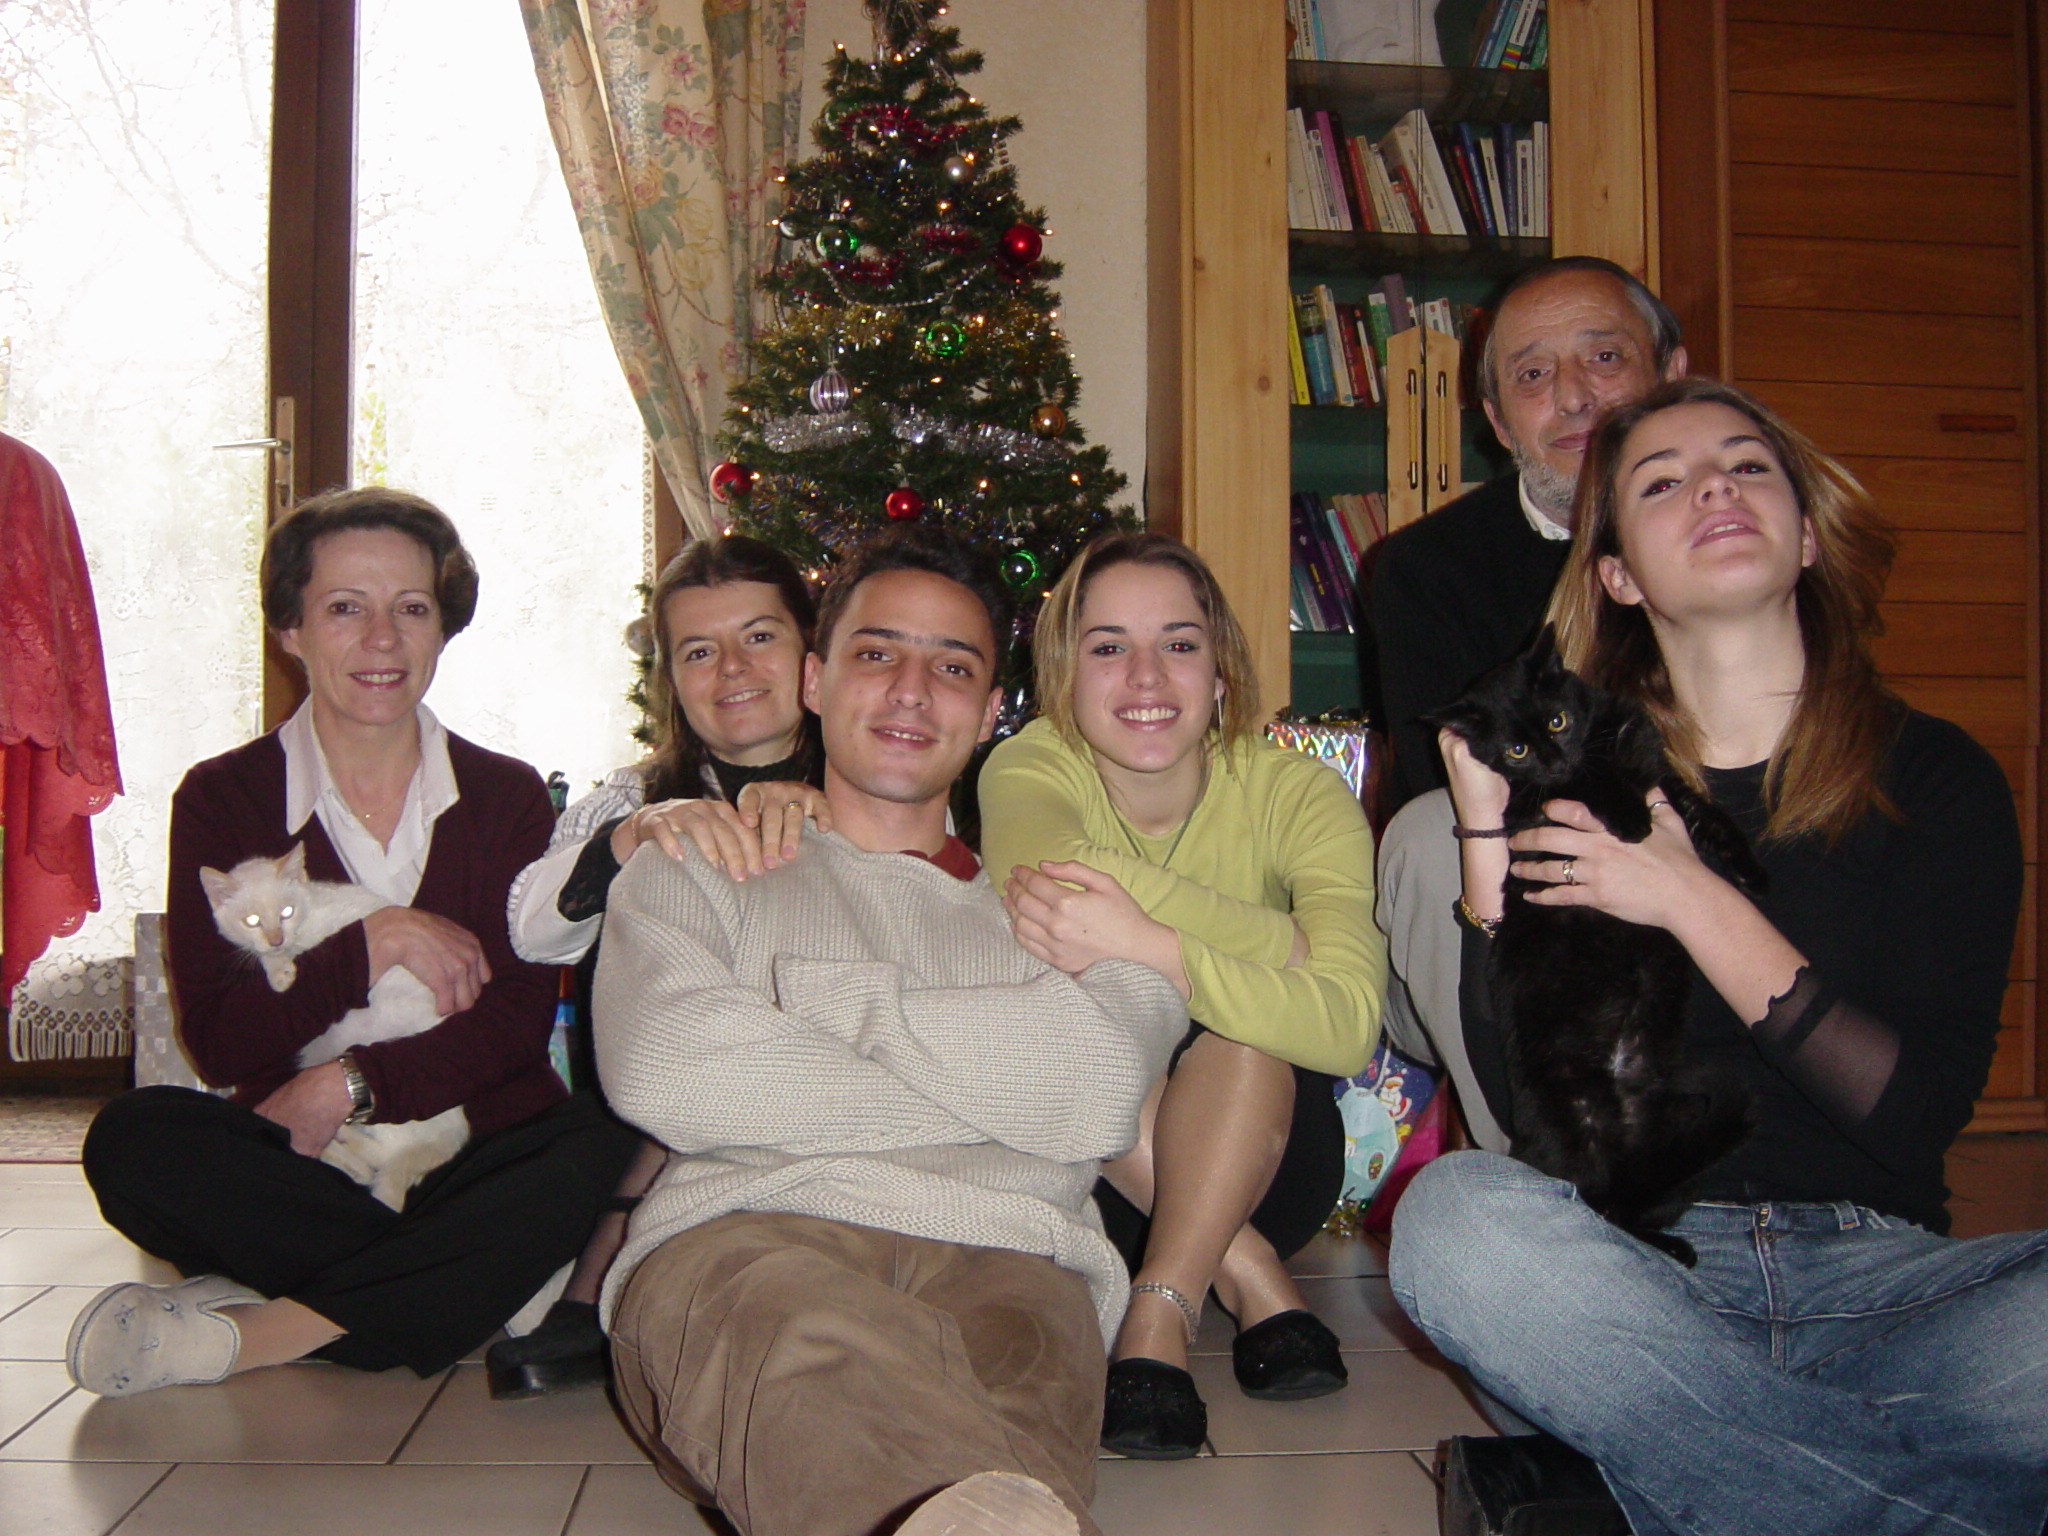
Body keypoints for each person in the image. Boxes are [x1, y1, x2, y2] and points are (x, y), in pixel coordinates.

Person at [1390, 377, 2048, 1535]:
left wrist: (1692, 898)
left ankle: (1711, 1470)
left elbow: (1911, 1118)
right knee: (1458, 1228)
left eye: (1746, 467)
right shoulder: (1573, 788)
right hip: (1637, 1284)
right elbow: (1535, 1112)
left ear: (1805, 535)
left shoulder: (1936, 778)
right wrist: (1485, 832)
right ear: (1617, 577)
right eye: (1661, 483)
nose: (1712, 488)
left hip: (1885, 1290)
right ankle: (1869, 1487)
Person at [594, 526, 1186, 1536]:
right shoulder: (696, 864)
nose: (912, 691)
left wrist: (832, 1005)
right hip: (747, 1241)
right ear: (814, 681)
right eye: (877, 654)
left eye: (952, 667)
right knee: (811, 1342)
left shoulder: (1074, 908)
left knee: (988, 1474)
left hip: (1014, 1258)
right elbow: (666, 1067)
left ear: (989, 712)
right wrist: (1003, 1103)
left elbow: (1093, 1094)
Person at [71, 488, 639, 1397]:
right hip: (316, 1162)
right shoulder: (223, 798)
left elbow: (514, 1024)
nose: (383, 639)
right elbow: (221, 1041)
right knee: (133, 1142)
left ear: (443, 629)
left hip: (479, 1149)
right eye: (345, 608)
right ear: (290, 629)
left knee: (603, 1140)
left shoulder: (505, 795)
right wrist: (369, 943)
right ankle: (474, 1284)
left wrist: (350, 1083)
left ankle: (265, 1327)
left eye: (411, 609)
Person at [979, 532, 1384, 1460]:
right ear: (1064, 674)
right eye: (1108, 646)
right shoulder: (1028, 768)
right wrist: (1281, 945)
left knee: (1241, 1040)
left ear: (1222, 672)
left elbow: (1348, 1028)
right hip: (1086, 1175)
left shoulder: (1299, 794)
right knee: (1070, 1022)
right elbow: (1055, 881)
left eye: (1180, 643)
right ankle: (1248, 1281)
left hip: (1275, 1165)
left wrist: (1150, 944)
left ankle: (1155, 1317)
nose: (1147, 676)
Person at [488, 534, 829, 1399]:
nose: (732, 670)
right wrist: (635, 837)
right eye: (698, 652)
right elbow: (531, 932)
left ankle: (606, 1272)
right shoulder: (633, 797)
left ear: (812, 655)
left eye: (760, 637)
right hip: (656, 1096)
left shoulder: (880, 779)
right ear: (671, 680)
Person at [1367, 257, 1689, 1151]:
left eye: (1605, 358)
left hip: (1693, 882)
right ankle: (1539, 1172)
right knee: (1429, 833)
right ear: (1499, 420)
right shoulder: (1423, 571)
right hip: (1500, 913)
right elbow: (1460, 797)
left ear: (1672, 374)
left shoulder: (1733, 537)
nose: (1575, 397)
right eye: (1534, 374)